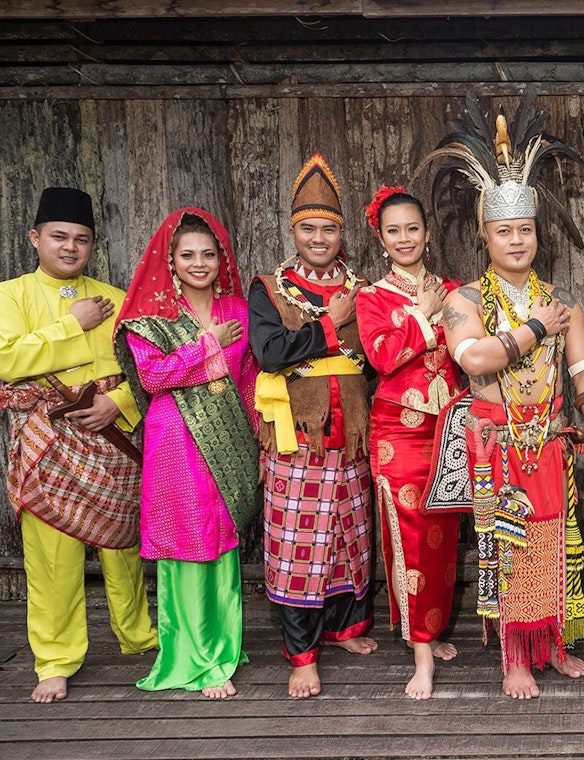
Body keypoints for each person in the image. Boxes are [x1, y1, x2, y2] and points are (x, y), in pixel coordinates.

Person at [422, 95, 584, 699]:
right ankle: (514, 657)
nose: (516, 240)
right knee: (508, 546)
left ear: (537, 234)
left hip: (550, 442)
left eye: (525, 230)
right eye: (504, 231)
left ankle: (550, 642)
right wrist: (532, 328)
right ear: (485, 237)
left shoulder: (560, 299)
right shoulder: (465, 301)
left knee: (556, 542)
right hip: (494, 444)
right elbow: (473, 357)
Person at [0, 187, 157, 703]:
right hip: (48, 440)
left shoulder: (116, 297)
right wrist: (73, 325)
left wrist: (122, 407)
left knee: (123, 547)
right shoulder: (12, 295)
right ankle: (55, 658)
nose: (70, 248)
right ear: (35, 238)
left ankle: (136, 634)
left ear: (93, 244)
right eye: (59, 237)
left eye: (81, 239)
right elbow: (5, 361)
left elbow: (144, 370)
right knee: (52, 556)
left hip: (111, 439)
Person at [113, 208, 260, 699]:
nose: (200, 264)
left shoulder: (238, 312)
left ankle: (224, 645)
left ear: (222, 259)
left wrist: (255, 438)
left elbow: (249, 380)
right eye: (188, 255)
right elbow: (154, 378)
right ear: (170, 262)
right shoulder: (150, 320)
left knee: (222, 540)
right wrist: (205, 345)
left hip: (229, 439)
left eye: (208, 254)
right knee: (187, 542)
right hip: (175, 440)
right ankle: (192, 657)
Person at [249, 153, 378, 699]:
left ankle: (345, 628)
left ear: (341, 232)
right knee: (298, 543)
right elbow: (271, 352)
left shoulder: (364, 286)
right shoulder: (269, 287)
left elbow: (374, 359)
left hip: (349, 436)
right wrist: (332, 324)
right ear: (293, 230)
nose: (319, 237)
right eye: (309, 228)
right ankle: (302, 656)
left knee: (350, 536)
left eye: (329, 228)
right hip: (295, 437)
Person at [355, 186, 462, 700]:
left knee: (443, 539)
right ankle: (422, 654)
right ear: (381, 237)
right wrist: (422, 315)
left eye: (412, 228)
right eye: (393, 230)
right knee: (412, 539)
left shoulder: (455, 290)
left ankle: (430, 628)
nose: (404, 238)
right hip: (400, 432)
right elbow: (381, 357)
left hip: (451, 429)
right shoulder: (371, 297)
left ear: (426, 232)